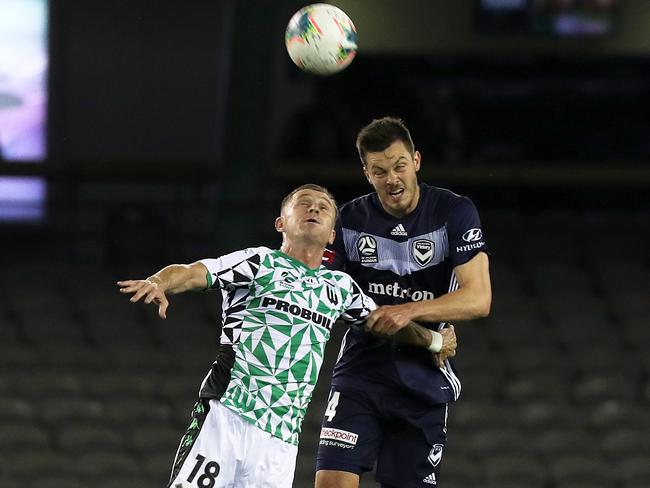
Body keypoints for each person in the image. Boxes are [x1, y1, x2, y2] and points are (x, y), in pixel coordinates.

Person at [117, 184, 457, 488]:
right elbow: (194, 273)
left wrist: (436, 341)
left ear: (332, 236)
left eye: (323, 207)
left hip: (280, 442)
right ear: (281, 223)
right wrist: (160, 282)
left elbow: (386, 322)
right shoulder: (259, 262)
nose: (314, 209)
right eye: (304, 203)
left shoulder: (339, 289)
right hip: (227, 417)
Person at [315, 118, 492, 488]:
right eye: (379, 171)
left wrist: (408, 311)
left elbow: (478, 298)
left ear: (416, 161)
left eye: (399, 166)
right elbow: (323, 289)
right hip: (360, 372)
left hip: (423, 377)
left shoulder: (454, 211)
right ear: (367, 174)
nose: (392, 179)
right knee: (331, 482)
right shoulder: (348, 219)